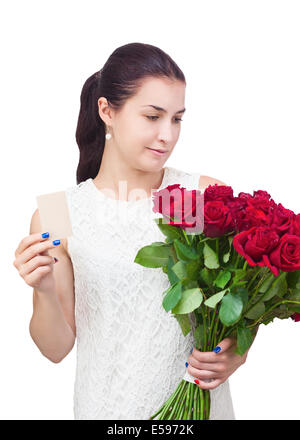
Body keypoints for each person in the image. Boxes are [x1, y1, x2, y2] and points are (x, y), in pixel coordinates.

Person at [13, 42, 253, 420]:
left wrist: (235, 354)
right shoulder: (56, 213)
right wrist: (43, 290)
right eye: (153, 116)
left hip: (199, 410)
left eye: (176, 119)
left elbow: (245, 303)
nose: (167, 135)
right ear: (107, 110)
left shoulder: (203, 196)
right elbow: (55, 348)